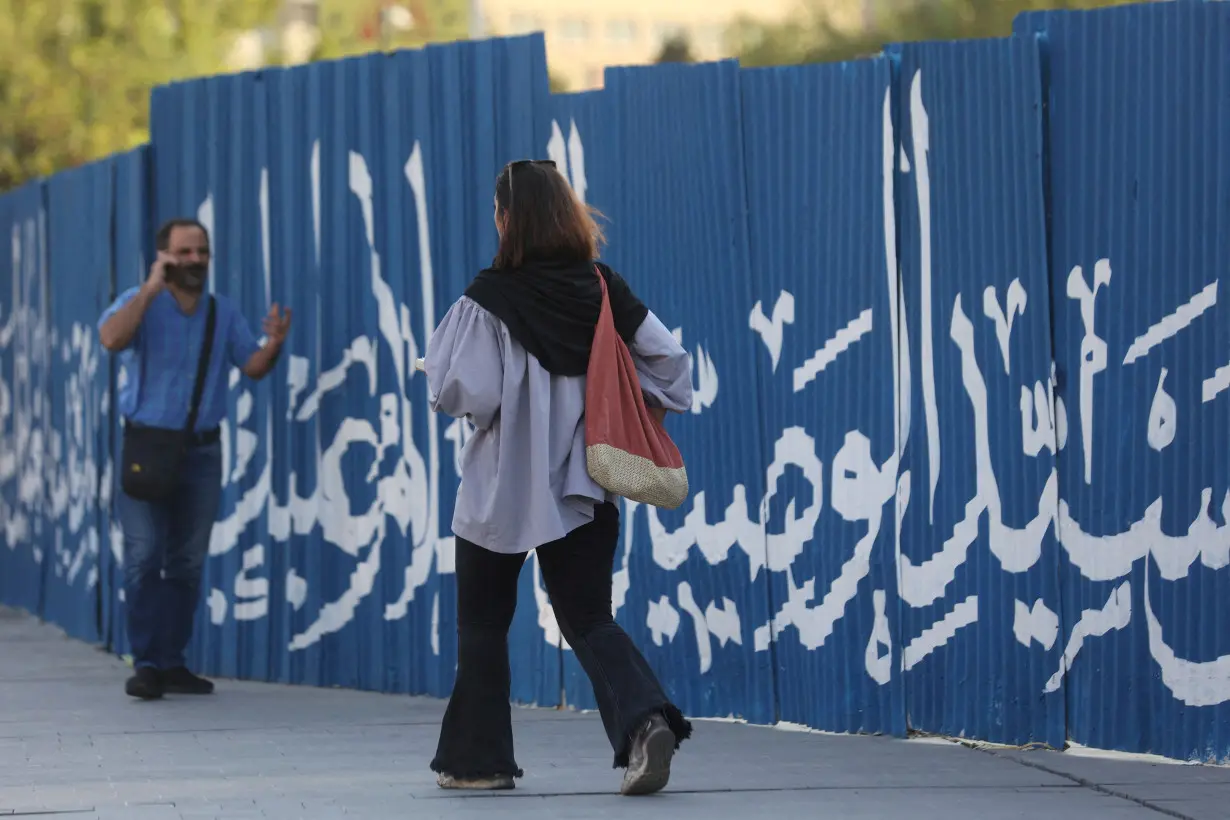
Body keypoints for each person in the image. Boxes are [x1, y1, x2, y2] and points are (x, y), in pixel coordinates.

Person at [423, 159, 694, 797]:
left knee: (484, 624)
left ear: (506, 218)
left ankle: (477, 763)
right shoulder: (603, 288)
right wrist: (637, 403)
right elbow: (672, 362)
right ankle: (645, 721)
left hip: (501, 486)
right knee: (588, 617)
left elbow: (474, 395)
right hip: (587, 480)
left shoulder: (487, 297)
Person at [97, 218, 291, 701]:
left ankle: (172, 662)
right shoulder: (139, 303)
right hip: (146, 448)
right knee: (143, 556)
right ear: (164, 256)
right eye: (184, 252)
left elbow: (252, 367)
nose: (195, 261)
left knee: (185, 561)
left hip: (202, 452)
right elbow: (111, 339)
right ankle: (144, 663)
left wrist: (275, 344)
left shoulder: (221, 312)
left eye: (202, 252)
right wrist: (148, 289)